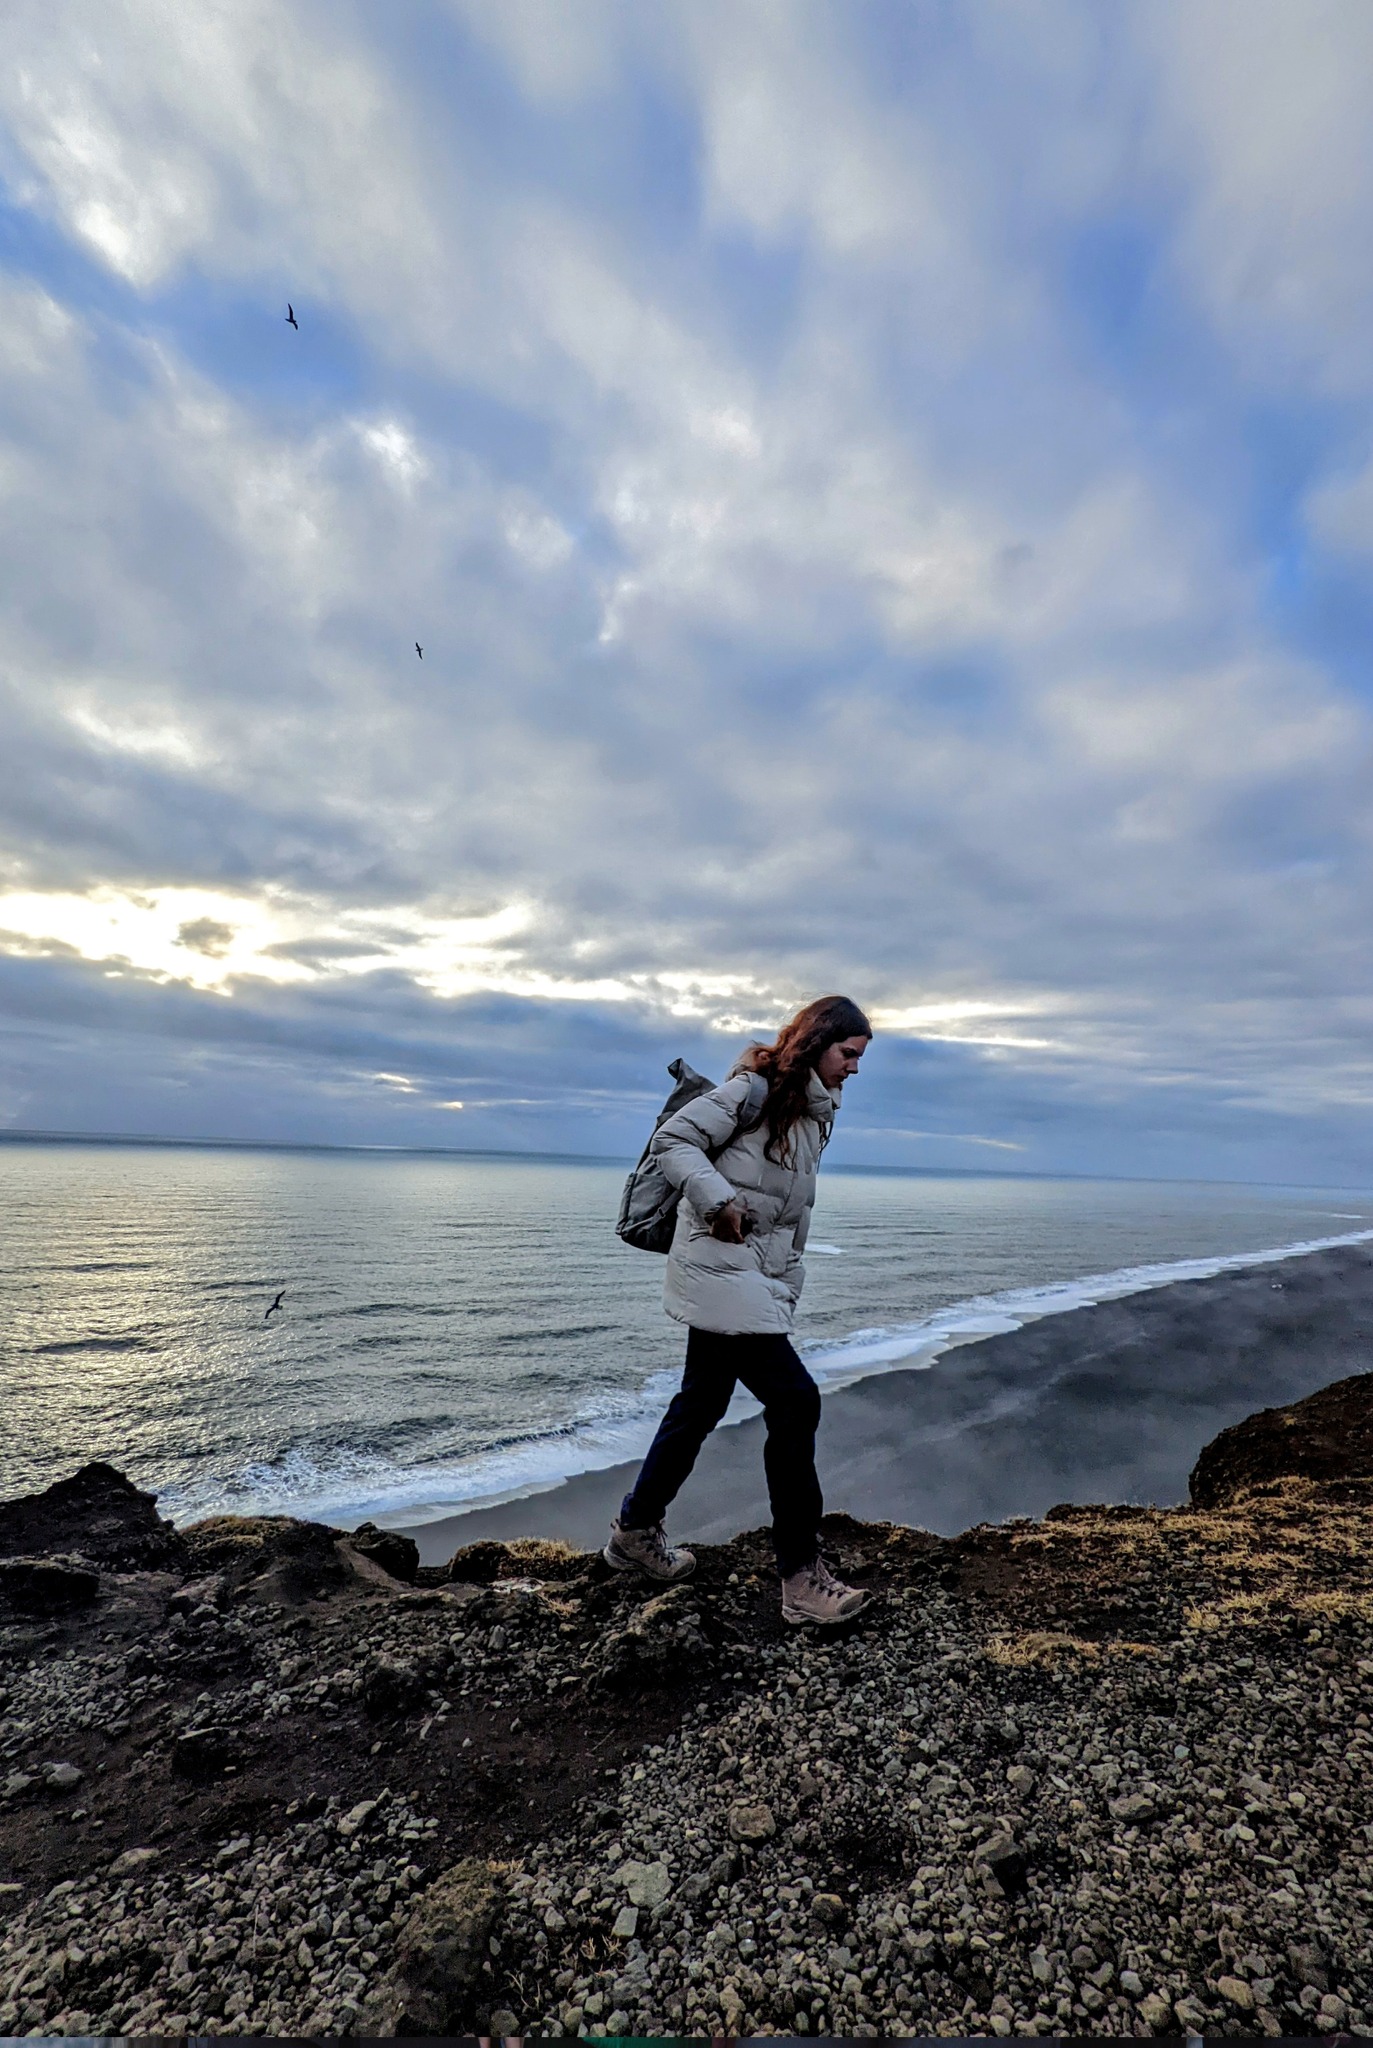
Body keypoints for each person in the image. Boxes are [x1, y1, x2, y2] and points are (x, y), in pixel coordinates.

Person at [604, 995, 872, 1625]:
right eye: (848, 1053)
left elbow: (784, 1213)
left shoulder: (812, 1114)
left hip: (748, 1276)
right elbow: (674, 1140)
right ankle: (801, 1580)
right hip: (721, 1272)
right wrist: (718, 1200)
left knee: (700, 1403)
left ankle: (634, 1532)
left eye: (860, 1058)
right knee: (796, 1401)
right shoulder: (754, 1091)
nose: (855, 1068)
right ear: (816, 1043)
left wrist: (782, 1277)